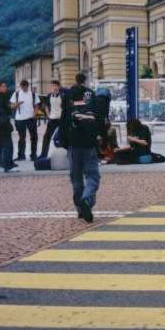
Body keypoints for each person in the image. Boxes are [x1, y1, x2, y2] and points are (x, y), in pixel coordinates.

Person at [60, 72, 107, 222]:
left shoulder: (67, 95)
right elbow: (98, 118)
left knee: (76, 176)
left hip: (73, 142)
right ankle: (86, 200)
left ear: (75, 80)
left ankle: (80, 208)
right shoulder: (92, 95)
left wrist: (64, 141)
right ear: (85, 81)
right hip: (89, 141)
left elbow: (64, 118)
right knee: (92, 175)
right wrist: (101, 138)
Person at [0, 81, 18, 173]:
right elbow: (3, 110)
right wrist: (14, 106)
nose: (5, 88)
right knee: (7, 146)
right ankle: (7, 166)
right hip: (2, 125)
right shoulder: (1, 96)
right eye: (3, 86)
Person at [10, 80, 39, 161]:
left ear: (28, 86)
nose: (24, 88)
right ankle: (21, 155)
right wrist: (18, 104)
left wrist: (34, 114)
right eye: (22, 87)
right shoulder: (16, 94)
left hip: (31, 118)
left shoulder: (33, 94)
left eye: (25, 87)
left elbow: (36, 106)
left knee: (34, 137)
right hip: (19, 118)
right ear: (20, 86)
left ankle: (33, 155)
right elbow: (12, 106)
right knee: (21, 137)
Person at [39, 80, 65, 159]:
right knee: (46, 137)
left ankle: (64, 154)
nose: (53, 87)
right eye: (52, 85)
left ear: (58, 86)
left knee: (62, 136)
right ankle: (43, 154)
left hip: (61, 118)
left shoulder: (62, 95)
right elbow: (46, 106)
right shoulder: (49, 95)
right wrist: (48, 115)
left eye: (54, 85)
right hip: (52, 118)